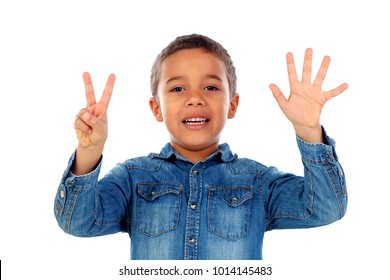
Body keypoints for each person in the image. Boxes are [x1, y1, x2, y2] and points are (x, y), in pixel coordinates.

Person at [54, 34, 348, 260]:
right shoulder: (133, 176)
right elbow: (77, 222)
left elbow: (326, 208)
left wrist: (309, 131)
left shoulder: (258, 182)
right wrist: (89, 152)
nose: (195, 98)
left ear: (232, 105)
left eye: (210, 87)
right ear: (156, 109)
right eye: (178, 88)